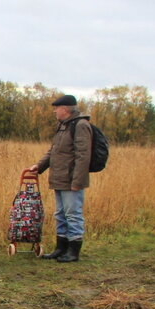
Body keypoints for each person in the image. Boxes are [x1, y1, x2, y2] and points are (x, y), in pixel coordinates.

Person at [28, 94, 92, 263]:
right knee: (60, 214)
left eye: (56, 108)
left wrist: (77, 181)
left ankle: (73, 252)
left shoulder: (81, 125)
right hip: (59, 178)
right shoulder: (62, 126)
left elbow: (83, 156)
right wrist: (39, 166)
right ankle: (60, 248)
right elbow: (53, 151)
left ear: (65, 109)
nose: (55, 111)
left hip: (72, 181)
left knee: (73, 214)